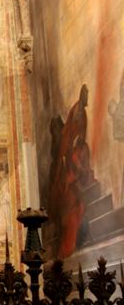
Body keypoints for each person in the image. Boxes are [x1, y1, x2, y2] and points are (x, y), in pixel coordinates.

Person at [50, 84, 95, 258]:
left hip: (75, 179)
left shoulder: (81, 111)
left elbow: (79, 134)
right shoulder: (77, 111)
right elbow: (72, 135)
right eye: (86, 95)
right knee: (74, 214)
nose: (87, 98)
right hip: (72, 176)